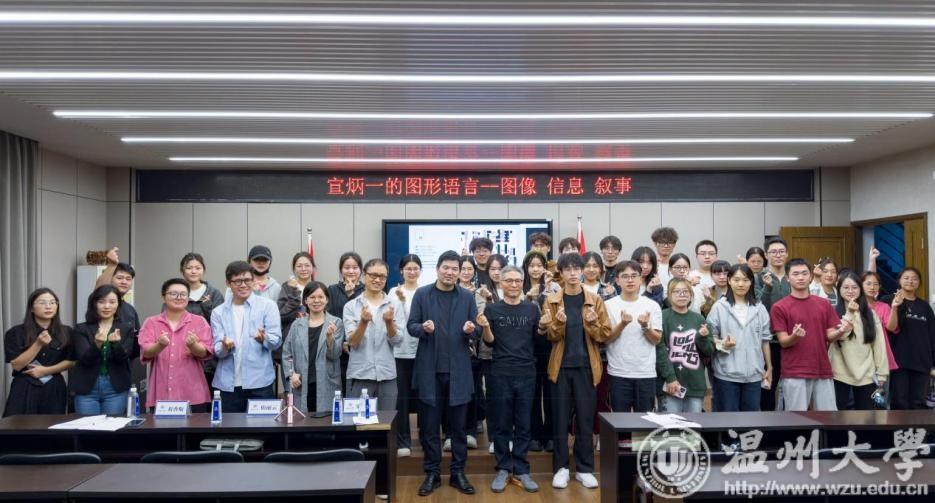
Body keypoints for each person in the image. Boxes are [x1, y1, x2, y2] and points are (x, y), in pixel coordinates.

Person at [407, 250, 479, 496]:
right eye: (446, 268)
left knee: (458, 428)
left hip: (459, 371)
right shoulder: (422, 294)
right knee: (430, 427)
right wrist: (423, 328)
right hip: (430, 371)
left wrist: (471, 329)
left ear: (459, 272)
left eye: (454, 269)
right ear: (437, 269)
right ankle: (432, 473)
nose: (450, 272)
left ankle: (458, 473)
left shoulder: (467, 297)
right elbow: (411, 326)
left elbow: (477, 330)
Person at [540, 252, 611, 490]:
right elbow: (550, 336)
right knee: (560, 419)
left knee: (585, 418)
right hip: (560, 367)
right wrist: (558, 323)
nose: (572, 273)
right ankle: (561, 468)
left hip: (587, 367)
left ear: (581, 271)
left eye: (576, 269)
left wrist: (591, 323)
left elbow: (603, 335)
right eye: (567, 269)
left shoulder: (594, 299)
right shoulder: (552, 300)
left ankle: (584, 469)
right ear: (560, 273)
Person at [477, 265, 541, 493]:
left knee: (523, 424)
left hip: (526, 372)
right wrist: (486, 327)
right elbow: (489, 342)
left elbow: (538, 340)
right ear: (501, 283)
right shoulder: (492, 309)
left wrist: (544, 326)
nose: (514, 285)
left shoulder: (532, 309)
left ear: (522, 283)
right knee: (502, 424)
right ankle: (503, 467)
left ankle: (522, 468)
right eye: (509, 281)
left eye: (517, 281)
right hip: (500, 373)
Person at [771, 259, 852, 411]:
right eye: (795, 274)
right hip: (795, 371)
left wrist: (842, 330)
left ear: (811, 276)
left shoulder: (824, 304)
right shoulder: (779, 307)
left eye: (804, 273)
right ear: (788, 278)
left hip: (822, 368)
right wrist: (795, 336)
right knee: (797, 418)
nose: (800, 277)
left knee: (828, 418)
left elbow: (830, 336)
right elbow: (783, 341)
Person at [211, 261, 282, 412]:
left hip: (260, 382)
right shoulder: (218, 312)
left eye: (247, 280)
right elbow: (217, 350)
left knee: (263, 425)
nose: (243, 285)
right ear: (228, 283)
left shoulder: (268, 306)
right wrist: (224, 346)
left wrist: (264, 338)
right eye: (237, 281)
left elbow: (276, 342)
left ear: (253, 281)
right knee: (228, 426)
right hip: (227, 384)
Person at [138, 279, 213, 412]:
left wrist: (193, 346)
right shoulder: (151, 322)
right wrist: (160, 345)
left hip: (193, 395)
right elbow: (146, 353)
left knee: (196, 426)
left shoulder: (199, 321)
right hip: (161, 395)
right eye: (173, 294)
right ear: (163, 297)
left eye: (183, 294)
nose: (179, 297)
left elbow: (205, 353)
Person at [707, 264, 773, 412]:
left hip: (754, 375)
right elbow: (710, 336)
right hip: (726, 375)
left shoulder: (759, 308)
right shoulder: (719, 307)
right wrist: (722, 343)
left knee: (751, 419)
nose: (741, 284)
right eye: (736, 280)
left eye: (745, 280)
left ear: (751, 282)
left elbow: (765, 340)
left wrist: (769, 367)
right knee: (729, 419)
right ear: (729, 281)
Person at [344, 259, 404, 412]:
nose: (378, 280)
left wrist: (389, 323)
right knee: (358, 421)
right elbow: (352, 343)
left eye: (382, 276)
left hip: (387, 375)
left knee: (386, 421)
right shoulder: (351, 306)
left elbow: (398, 341)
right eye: (373, 275)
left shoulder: (394, 305)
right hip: (360, 374)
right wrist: (363, 322)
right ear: (364, 275)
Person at [3, 288, 74, 416]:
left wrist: (46, 371)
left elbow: (72, 361)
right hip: (24, 385)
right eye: (42, 303)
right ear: (31, 308)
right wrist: (38, 344)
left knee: (52, 425)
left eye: (52, 302)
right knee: (19, 425)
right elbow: (17, 365)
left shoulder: (67, 331)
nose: (48, 306)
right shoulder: (15, 332)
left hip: (54, 385)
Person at [605, 261, 663, 414]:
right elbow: (605, 339)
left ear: (640, 279)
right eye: (625, 276)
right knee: (619, 421)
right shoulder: (608, 305)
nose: (630, 280)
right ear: (617, 281)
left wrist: (645, 326)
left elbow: (656, 339)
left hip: (645, 372)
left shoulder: (652, 305)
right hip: (618, 373)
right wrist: (622, 324)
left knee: (645, 421)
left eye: (634, 276)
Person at [71, 285, 139, 415]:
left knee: (111, 426)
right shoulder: (81, 328)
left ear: (118, 304)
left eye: (112, 302)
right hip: (87, 387)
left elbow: (124, 358)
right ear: (94, 304)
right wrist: (97, 343)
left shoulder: (127, 328)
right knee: (87, 426)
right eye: (101, 302)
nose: (107, 306)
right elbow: (84, 359)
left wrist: (115, 344)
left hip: (116, 388)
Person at [282, 282, 345, 415]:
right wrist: (291, 373)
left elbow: (335, 355)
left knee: (326, 422)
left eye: (321, 297)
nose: (316, 301)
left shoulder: (336, 323)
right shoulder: (296, 325)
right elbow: (287, 353)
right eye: (312, 297)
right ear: (305, 300)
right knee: (302, 421)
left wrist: (329, 337)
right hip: (302, 383)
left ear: (327, 300)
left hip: (326, 382)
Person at [829, 272, 888, 410]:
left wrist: (881, 374)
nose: (850, 291)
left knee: (866, 417)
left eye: (854, 287)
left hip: (866, 374)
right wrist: (850, 313)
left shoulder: (870, 313)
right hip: (839, 373)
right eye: (846, 287)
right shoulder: (833, 312)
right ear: (839, 289)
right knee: (838, 416)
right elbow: (841, 335)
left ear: (860, 289)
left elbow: (879, 345)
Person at [656, 278, 713, 413]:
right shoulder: (662, 317)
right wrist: (670, 378)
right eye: (676, 292)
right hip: (669, 384)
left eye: (685, 291)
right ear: (669, 295)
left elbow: (709, 351)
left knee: (693, 424)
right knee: (670, 424)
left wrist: (702, 338)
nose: (681, 295)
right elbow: (659, 350)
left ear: (691, 295)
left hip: (695, 384)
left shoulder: (699, 319)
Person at [882, 267, 935, 410]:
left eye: (914, 279)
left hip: (921, 362)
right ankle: (899, 426)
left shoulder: (925, 307)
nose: (910, 281)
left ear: (919, 283)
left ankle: (917, 426)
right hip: (898, 362)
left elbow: (932, 336)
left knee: (918, 403)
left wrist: (932, 364)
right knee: (899, 402)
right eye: (906, 278)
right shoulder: (888, 301)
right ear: (899, 280)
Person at [388, 255, 422, 457]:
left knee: (424, 397)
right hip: (399, 351)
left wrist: (404, 303)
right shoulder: (393, 292)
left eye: (415, 268)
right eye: (408, 268)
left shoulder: (425, 291)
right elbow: (394, 321)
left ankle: (426, 438)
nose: (412, 272)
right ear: (401, 271)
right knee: (401, 398)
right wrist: (400, 301)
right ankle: (403, 441)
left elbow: (417, 321)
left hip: (422, 350)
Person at [521, 251, 553, 453]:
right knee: (531, 393)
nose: (535, 269)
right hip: (527, 346)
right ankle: (533, 435)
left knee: (550, 393)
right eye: (531, 265)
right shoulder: (519, 286)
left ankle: (549, 435)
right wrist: (528, 297)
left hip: (549, 346)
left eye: (539, 265)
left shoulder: (553, 287)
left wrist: (547, 291)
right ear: (526, 267)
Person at [476, 254, 508, 452]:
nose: (496, 273)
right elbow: (482, 317)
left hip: (512, 352)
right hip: (490, 351)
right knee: (493, 394)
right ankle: (495, 437)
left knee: (510, 396)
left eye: (500, 269)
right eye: (492, 269)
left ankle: (509, 435)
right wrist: (489, 298)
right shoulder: (481, 292)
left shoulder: (515, 288)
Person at [757, 237, 792, 411]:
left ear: (787, 254)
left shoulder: (793, 276)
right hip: (769, 341)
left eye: (781, 251)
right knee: (768, 385)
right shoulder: (758, 277)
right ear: (766, 255)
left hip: (793, 339)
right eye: (773, 252)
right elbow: (758, 307)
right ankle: (767, 421)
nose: (778, 255)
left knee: (792, 385)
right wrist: (767, 288)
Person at [328, 252, 364, 393]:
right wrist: (342, 340)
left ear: (361, 270)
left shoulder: (366, 290)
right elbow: (330, 317)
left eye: (355, 267)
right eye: (347, 267)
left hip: (360, 344)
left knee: (359, 387)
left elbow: (361, 316)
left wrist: (351, 295)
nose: (351, 271)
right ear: (340, 270)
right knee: (340, 386)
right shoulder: (332, 290)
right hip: (337, 345)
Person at [860, 271, 900, 392]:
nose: (872, 287)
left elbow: (891, 327)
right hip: (860, 358)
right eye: (868, 284)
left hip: (880, 358)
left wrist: (894, 308)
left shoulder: (883, 306)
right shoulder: (854, 306)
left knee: (880, 398)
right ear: (860, 285)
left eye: (876, 284)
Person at [94, 247, 141, 334]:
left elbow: (137, 335)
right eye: (119, 278)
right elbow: (100, 289)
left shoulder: (131, 310)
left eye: (128, 279)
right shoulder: (102, 303)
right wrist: (112, 265)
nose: (124, 282)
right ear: (110, 278)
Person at [277, 252, 317, 337]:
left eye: (307, 265)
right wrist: (295, 314)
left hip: (313, 333)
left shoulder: (318, 287)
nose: (303, 269)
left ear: (313, 267)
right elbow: (280, 315)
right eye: (299, 266)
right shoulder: (287, 287)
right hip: (291, 334)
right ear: (294, 269)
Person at [180, 253, 224, 323]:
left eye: (198, 268)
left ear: (204, 270)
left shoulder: (214, 293)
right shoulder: (176, 293)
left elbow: (221, 322)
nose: (193, 271)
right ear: (182, 271)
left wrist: (207, 306)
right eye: (189, 268)